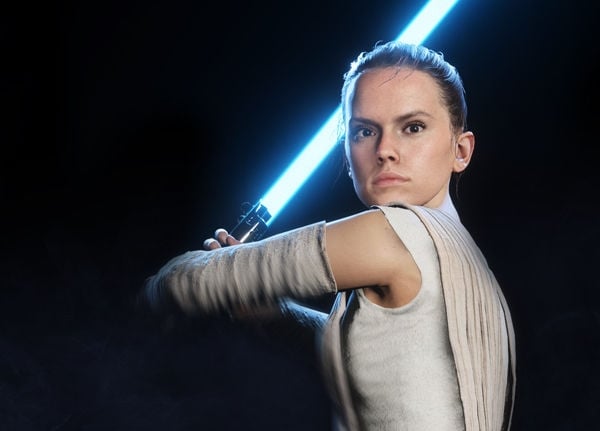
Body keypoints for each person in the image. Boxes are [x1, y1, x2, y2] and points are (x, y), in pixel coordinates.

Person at [142, 40, 517, 430]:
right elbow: (384, 362)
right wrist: (277, 313)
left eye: (413, 127)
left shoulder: (393, 231)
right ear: (347, 154)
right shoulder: (475, 272)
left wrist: (144, 295)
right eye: (364, 131)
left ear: (461, 150)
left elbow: (193, 282)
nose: (385, 150)